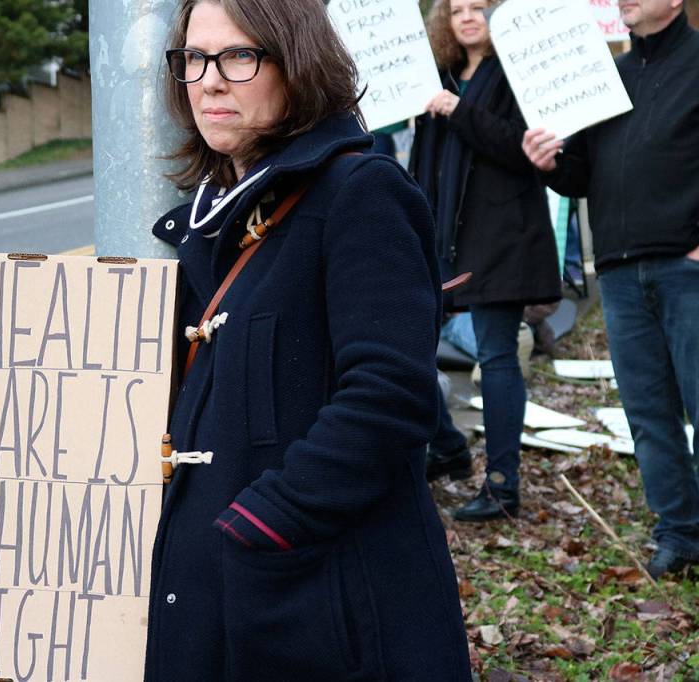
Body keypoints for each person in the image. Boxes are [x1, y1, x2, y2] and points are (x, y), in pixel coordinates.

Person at [143, 0, 471, 678]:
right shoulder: (208, 227)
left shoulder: (359, 194)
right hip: (211, 612)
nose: (208, 80)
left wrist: (262, 527)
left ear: (297, 62)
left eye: (238, 55)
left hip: (321, 612)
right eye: (194, 59)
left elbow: (391, 398)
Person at [523, 0, 699, 579]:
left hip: (686, 267)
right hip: (621, 273)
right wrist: (549, 162)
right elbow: (582, 174)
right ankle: (679, 534)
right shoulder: (608, 78)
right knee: (649, 414)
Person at [409, 0, 561, 521]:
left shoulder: (517, 72)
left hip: (502, 239)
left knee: (496, 358)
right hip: (442, 238)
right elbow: (422, 165)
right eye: (457, 10)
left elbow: (525, 150)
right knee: (407, 351)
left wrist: (459, 110)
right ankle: (448, 445)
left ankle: (502, 486)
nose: (468, 17)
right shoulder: (441, 77)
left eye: (479, 7)